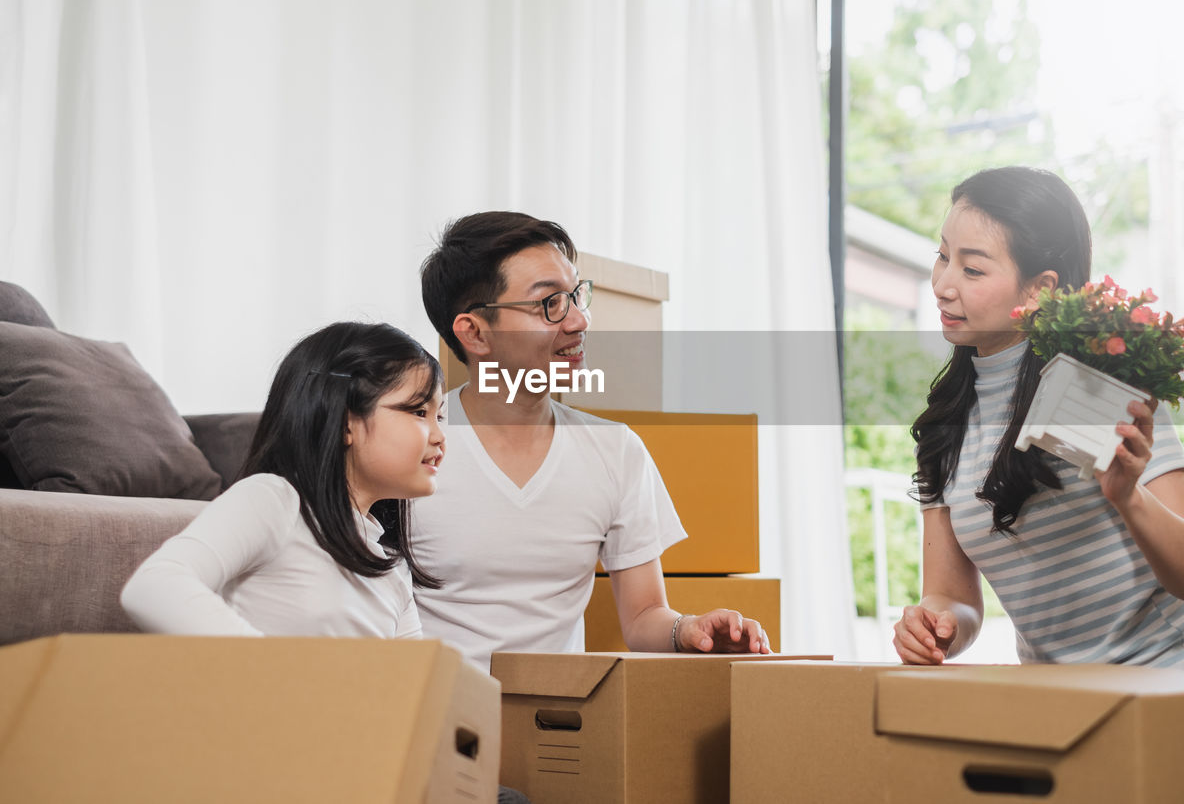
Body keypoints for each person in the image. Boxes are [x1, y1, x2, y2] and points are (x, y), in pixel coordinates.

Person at [893, 166, 1184, 673]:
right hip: (1067, 704)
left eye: (972, 270)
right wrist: (934, 627)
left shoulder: (1092, 386)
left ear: (1038, 289)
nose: (943, 285)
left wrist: (1127, 496)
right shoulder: (945, 426)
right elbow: (953, 597)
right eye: (943, 256)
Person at [413, 211, 770, 670]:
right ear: (475, 333)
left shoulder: (615, 451)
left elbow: (643, 616)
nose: (579, 321)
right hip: (433, 723)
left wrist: (689, 630)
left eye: (577, 295)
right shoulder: (413, 446)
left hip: (558, 728)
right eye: (549, 305)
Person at [121, 321, 444, 637]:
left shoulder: (389, 566)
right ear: (346, 422)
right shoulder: (273, 500)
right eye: (418, 412)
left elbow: (412, 680)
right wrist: (277, 671)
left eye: (439, 416)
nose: (440, 436)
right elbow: (155, 585)